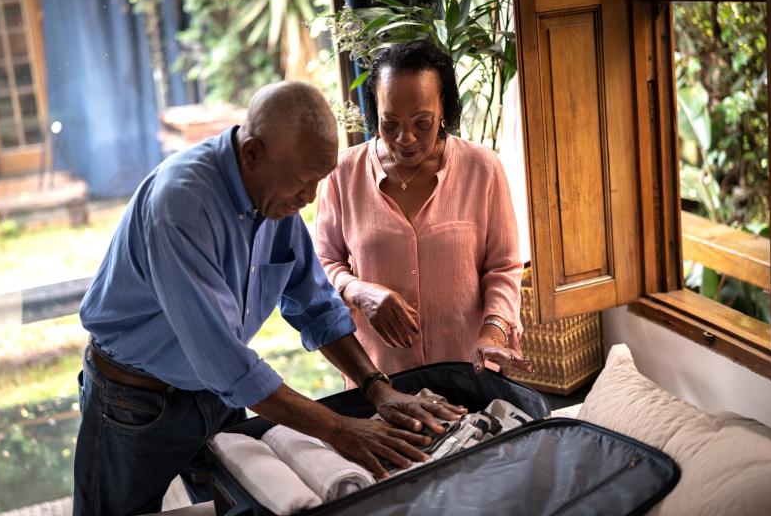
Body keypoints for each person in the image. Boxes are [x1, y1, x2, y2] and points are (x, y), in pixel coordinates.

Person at [74, 81, 465, 515]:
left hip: (216, 396)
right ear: (252, 153)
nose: (310, 198)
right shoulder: (180, 206)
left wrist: (377, 389)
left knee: (242, 502)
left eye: (318, 182)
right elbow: (230, 367)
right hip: (134, 402)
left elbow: (315, 306)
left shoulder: (276, 198)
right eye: (303, 182)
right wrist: (340, 430)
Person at [315, 40, 533, 386]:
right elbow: (324, 264)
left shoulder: (482, 169)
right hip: (379, 379)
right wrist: (359, 291)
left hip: (468, 372)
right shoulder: (344, 174)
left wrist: (494, 330)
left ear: (443, 107)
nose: (405, 138)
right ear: (374, 112)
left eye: (422, 122)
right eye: (390, 123)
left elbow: (503, 266)